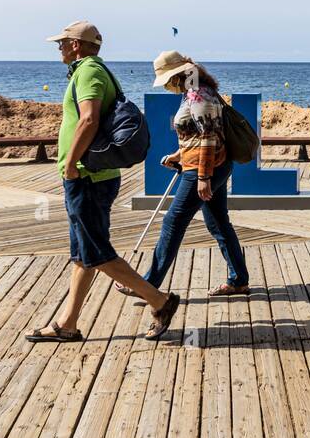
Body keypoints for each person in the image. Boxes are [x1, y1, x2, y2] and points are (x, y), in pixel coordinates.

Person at [27, 21, 181, 342]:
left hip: (87, 177)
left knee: (97, 253)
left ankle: (160, 301)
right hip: (92, 177)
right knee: (84, 254)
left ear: (76, 45)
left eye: (62, 43)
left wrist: (70, 163)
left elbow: (89, 118)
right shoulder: (90, 70)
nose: (59, 47)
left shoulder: (88, 73)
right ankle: (67, 324)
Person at [140, 50, 250, 296]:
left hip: (204, 169)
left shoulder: (198, 94)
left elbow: (209, 138)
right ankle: (239, 280)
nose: (166, 86)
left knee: (173, 222)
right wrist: (177, 156)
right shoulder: (194, 92)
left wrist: (203, 177)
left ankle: (148, 285)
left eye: (167, 80)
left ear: (177, 75)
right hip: (207, 165)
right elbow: (198, 135)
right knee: (219, 223)